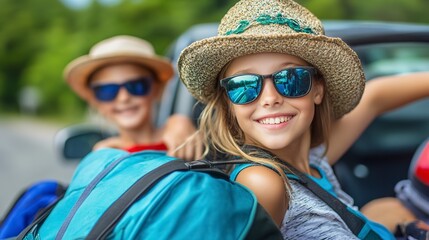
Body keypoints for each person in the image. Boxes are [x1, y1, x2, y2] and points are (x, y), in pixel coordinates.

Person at [178, 0, 429, 238]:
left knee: (385, 207)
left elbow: (375, 97)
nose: (270, 98)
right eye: (244, 85)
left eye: (291, 79)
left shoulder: (312, 161)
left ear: (317, 90)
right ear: (229, 103)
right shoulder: (263, 182)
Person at [64, 35, 202, 160]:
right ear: (95, 100)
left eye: (136, 86)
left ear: (157, 89)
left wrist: (179, 121)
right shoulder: (104, 153)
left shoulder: (179, 135)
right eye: (108, 91)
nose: (124, 97)